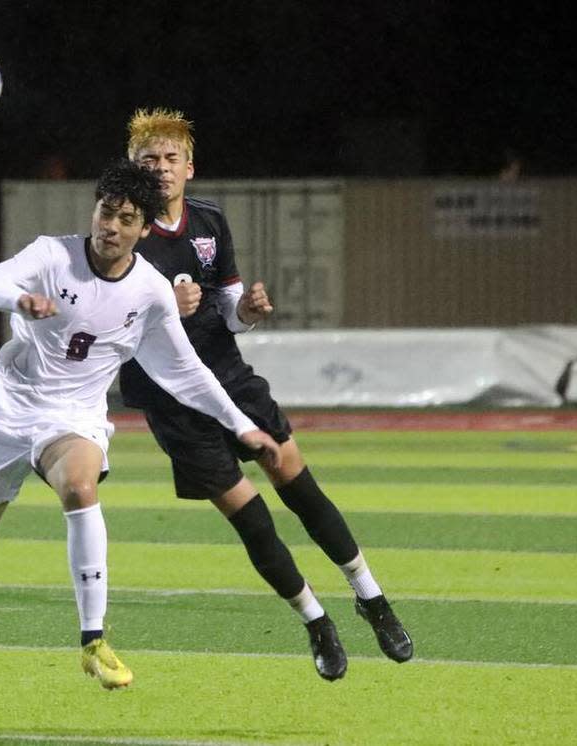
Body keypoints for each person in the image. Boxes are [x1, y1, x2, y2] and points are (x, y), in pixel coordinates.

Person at [0, 159, 283, 690]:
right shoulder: (52, 255)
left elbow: (185, 372)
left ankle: (93, 641)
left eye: (125, 219)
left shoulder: (150, 291)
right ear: (94, 211)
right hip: (9, 408)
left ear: (144, 229)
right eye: (105, 213)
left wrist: (240, 426)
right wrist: (16, 298)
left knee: (80, 485)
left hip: (73, 417)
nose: (110, 227)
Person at [120, 108, 413, 681]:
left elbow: (228, 307)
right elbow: (109, 330)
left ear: (189, 168)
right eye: (148, 160)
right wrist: (156, 317)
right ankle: (315, 620)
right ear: (133, 169)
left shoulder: (209, 223)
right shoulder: (122, 234)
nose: (160, 169)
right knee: (252, 520)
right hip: (170, 399)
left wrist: (246, 312)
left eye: (170, 158)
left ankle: (372, 597)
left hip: (229, 375)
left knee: (298, 483)